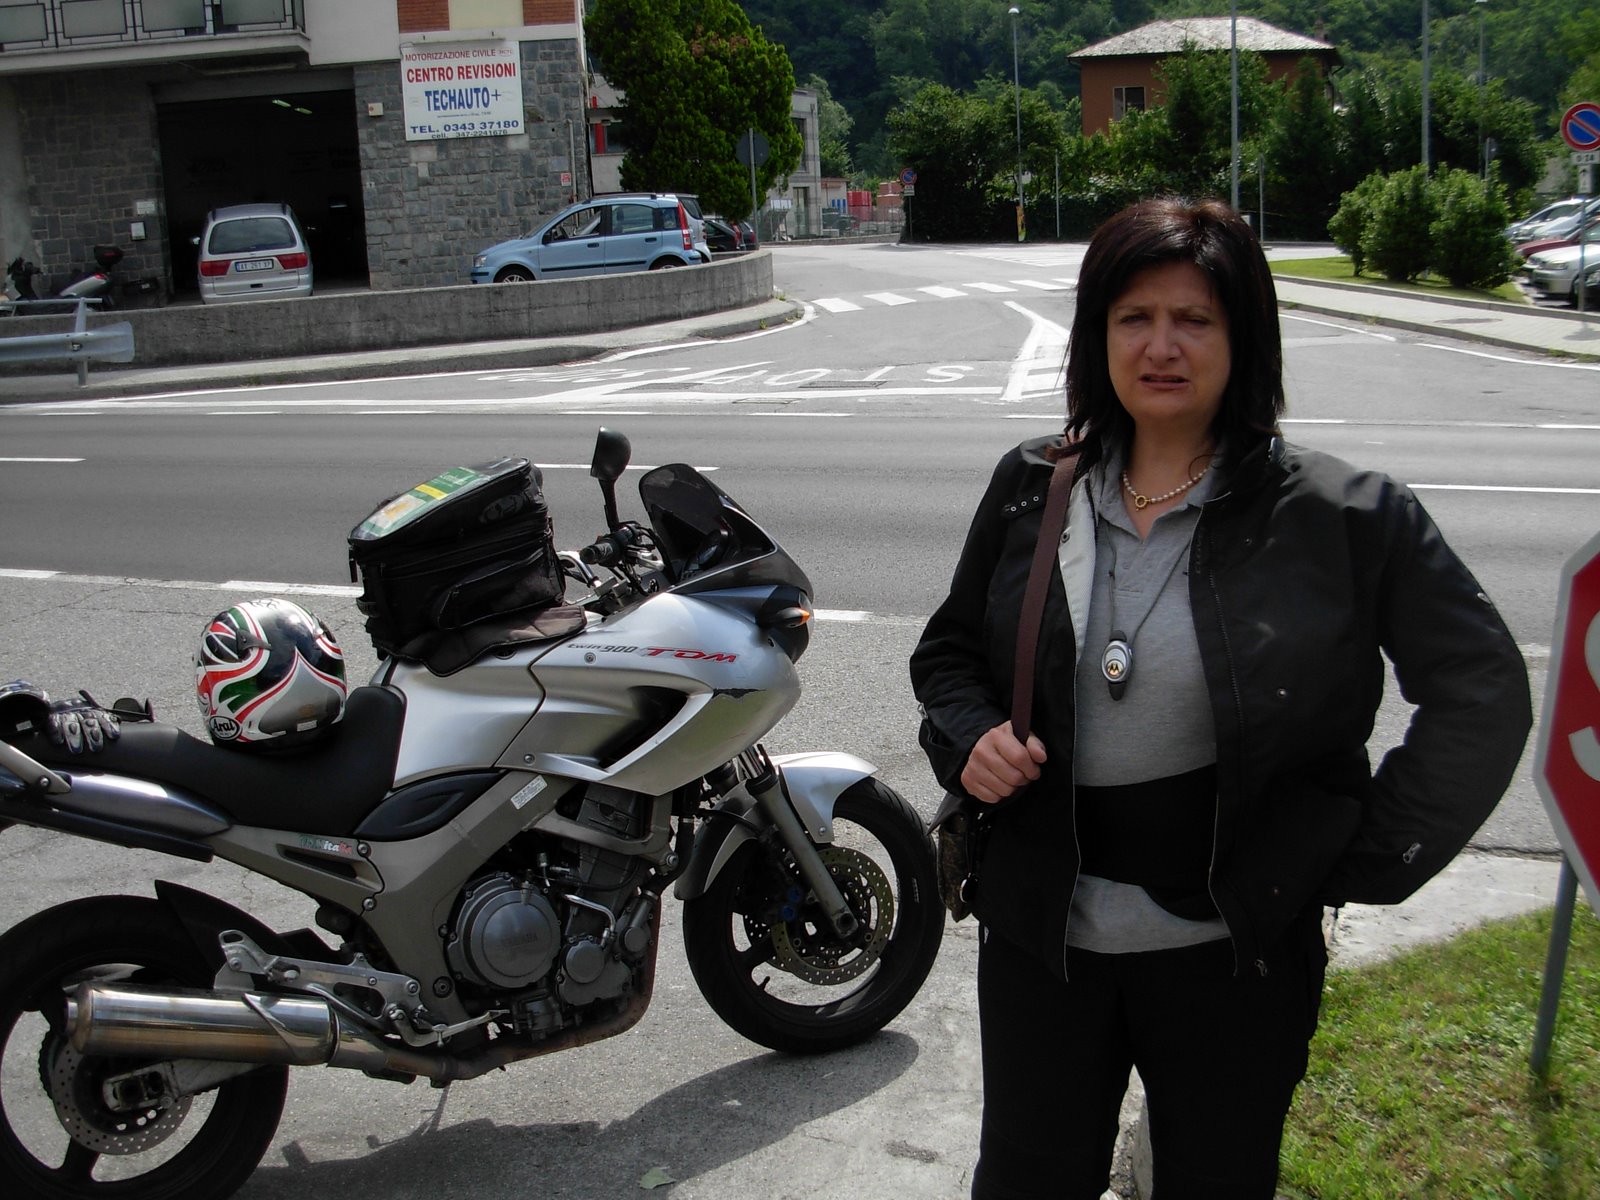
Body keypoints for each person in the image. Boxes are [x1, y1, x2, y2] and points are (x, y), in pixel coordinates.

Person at [909, 197, 1532, 1199]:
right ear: (1097, 336)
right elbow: (949, 654)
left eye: (1194, 319)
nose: (1161, 346)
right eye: (1134, 318)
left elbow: (1482, 689)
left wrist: (1358, 858)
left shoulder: (1340, 516)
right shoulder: (1034, 487)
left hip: (1233, 962)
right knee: (1026, 1179)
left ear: (1244, 339)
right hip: (1041, 945)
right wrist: (972, 736)